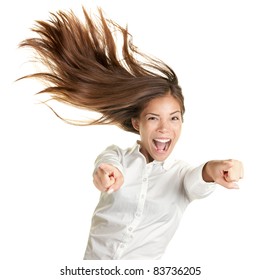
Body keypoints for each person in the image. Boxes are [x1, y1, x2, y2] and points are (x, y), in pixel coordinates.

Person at [18, 7, 244, 260]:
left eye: (174, 118)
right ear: (138, 124)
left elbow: (200, 178)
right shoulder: (117, 156)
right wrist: (106, 175)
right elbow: (106, 166)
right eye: (153, 118)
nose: (164, 128)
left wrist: (218, 168)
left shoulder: (179, 175)